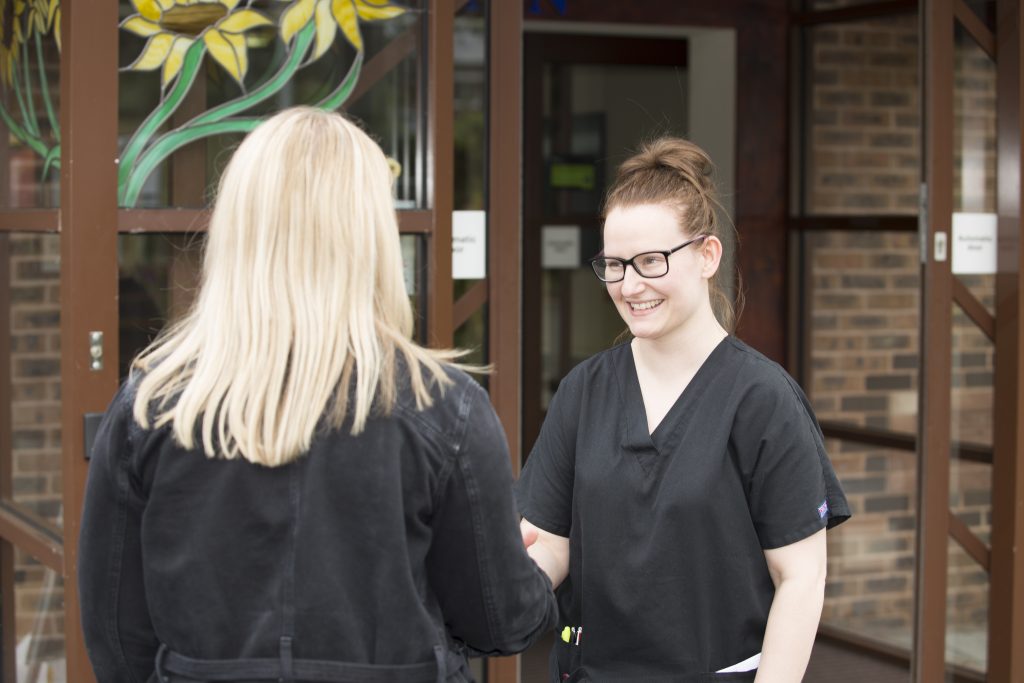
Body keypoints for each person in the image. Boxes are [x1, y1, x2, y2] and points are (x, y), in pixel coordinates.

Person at [78, 107, 558, 683]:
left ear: (238, 227)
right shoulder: (443, 407)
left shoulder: (151, 405)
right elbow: (499, 624)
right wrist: (534, 567)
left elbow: (116, 639)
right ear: (370, 234)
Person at [516, 137, 850, 682]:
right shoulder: (585, 391)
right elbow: (552, 546)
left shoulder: (762, 400)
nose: (630, 285)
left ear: (707, 256)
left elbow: (801, 578)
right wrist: (505, 577)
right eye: (615, 265)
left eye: (650, 261)